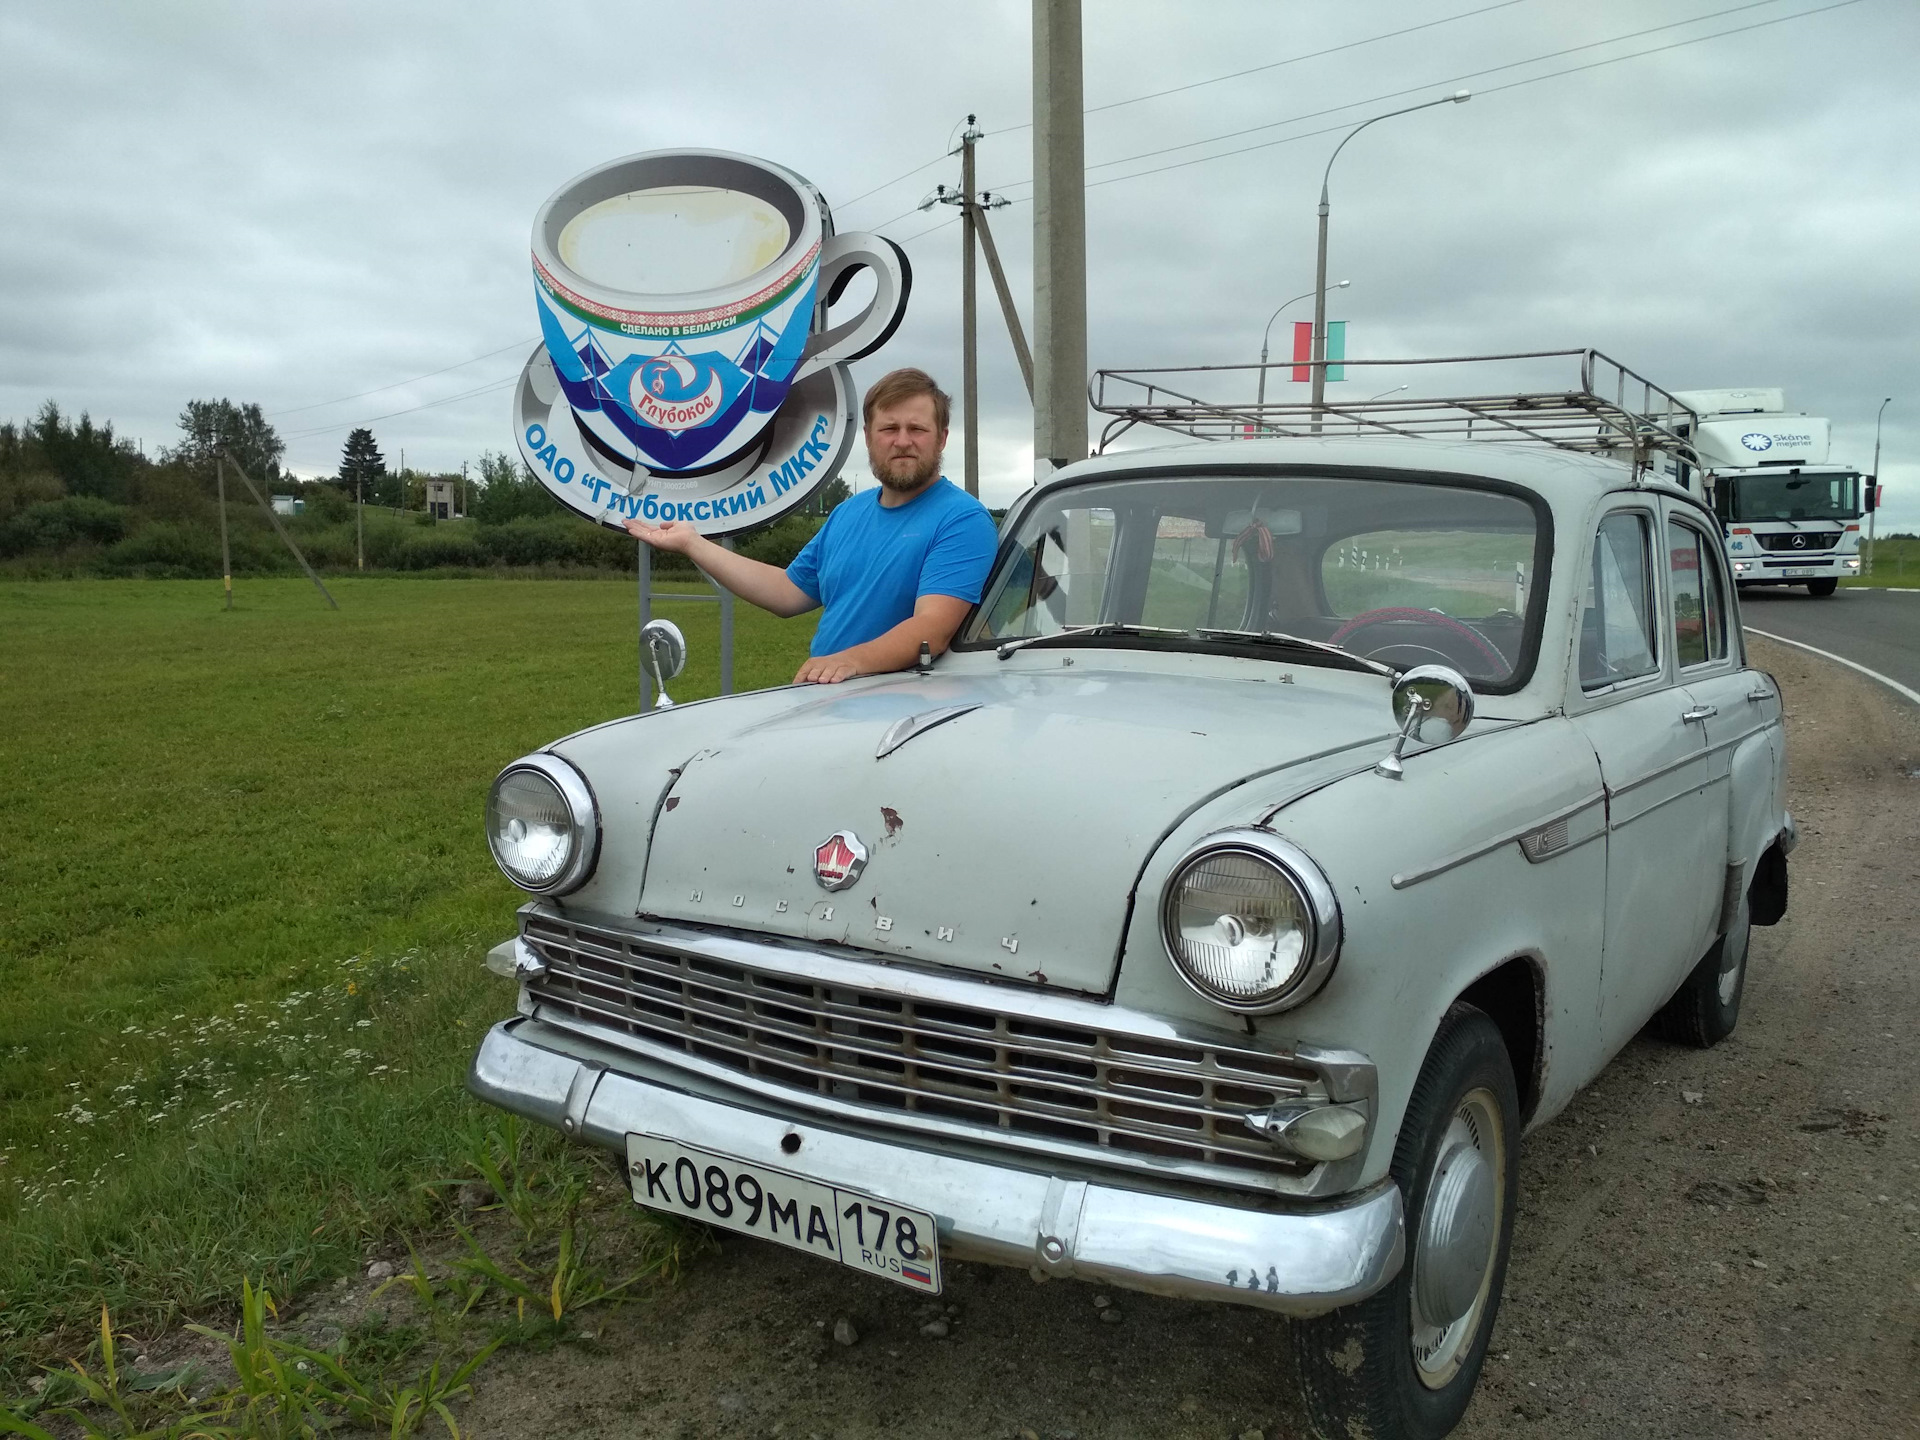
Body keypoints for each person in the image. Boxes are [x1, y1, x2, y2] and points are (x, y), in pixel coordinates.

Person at [624, 368, 999, 684]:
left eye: (917, 429)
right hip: (828, 698)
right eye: (889, 428)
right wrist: (694, 543)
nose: (902, 441)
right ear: (868, 436)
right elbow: (787, 593)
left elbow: (931, 630)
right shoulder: (848, 514)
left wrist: (847, 662)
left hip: (898, 709)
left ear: (942, 438)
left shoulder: (962, 520)